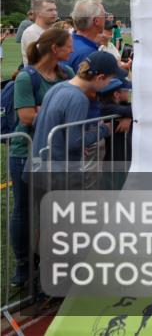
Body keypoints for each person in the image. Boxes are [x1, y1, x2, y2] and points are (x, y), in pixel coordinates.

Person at [7, 27, 74, 288]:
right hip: (26, 154)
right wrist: (58, 111)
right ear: (55, 49)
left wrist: (44, 109)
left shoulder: (66, 73)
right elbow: (26, 117)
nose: (72, 51)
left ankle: (48, 261)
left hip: (54, 154)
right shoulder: (27, 78)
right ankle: (24, 265)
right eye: (68, 46)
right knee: (24, 210)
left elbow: (70, 105)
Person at [32, 50, 123, 165]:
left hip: (39, 163)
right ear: (100, 77)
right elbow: (74, 143)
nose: (108, 84)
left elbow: (37, 122)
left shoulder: (58, 87)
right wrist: (104, 129)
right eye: (109, 80)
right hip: (58, 170)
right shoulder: (79, 99)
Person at [67, 0, 111, 71]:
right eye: (105, 15)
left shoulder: (68, 42)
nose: (106, 19)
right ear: (96, 21)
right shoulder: (89, 54)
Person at [20, 0, 58, 68]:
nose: (54, 13)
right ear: (38, 13)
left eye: (55, 9)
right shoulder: (31, 32)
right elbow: (42, 60)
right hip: (38, 77)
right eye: (50, 10)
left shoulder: (52, 31)